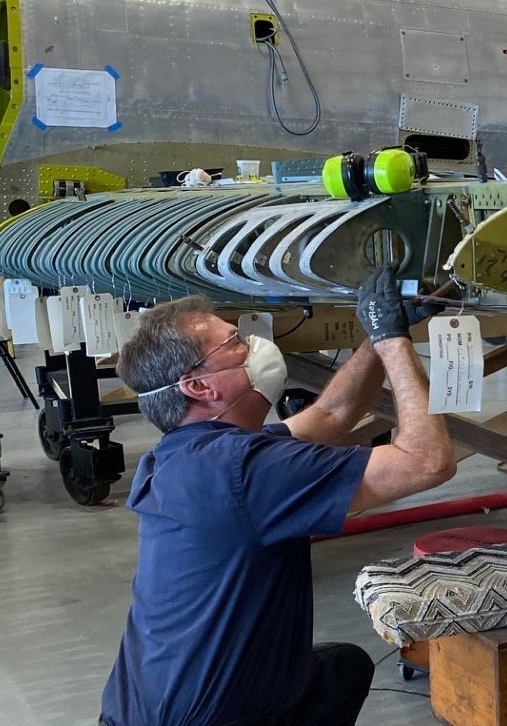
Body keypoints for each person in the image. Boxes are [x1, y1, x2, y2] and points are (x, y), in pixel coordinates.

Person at [98, 265, 455, 726]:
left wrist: (379, 330)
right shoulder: (242, 471)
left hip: (145, 709)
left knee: (341, 669)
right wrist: (393, 343)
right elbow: (427, 461)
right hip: (207, 718)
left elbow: (332, 413)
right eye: (235, 343)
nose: (254, 347)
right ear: (199, 386)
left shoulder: (186, 454)